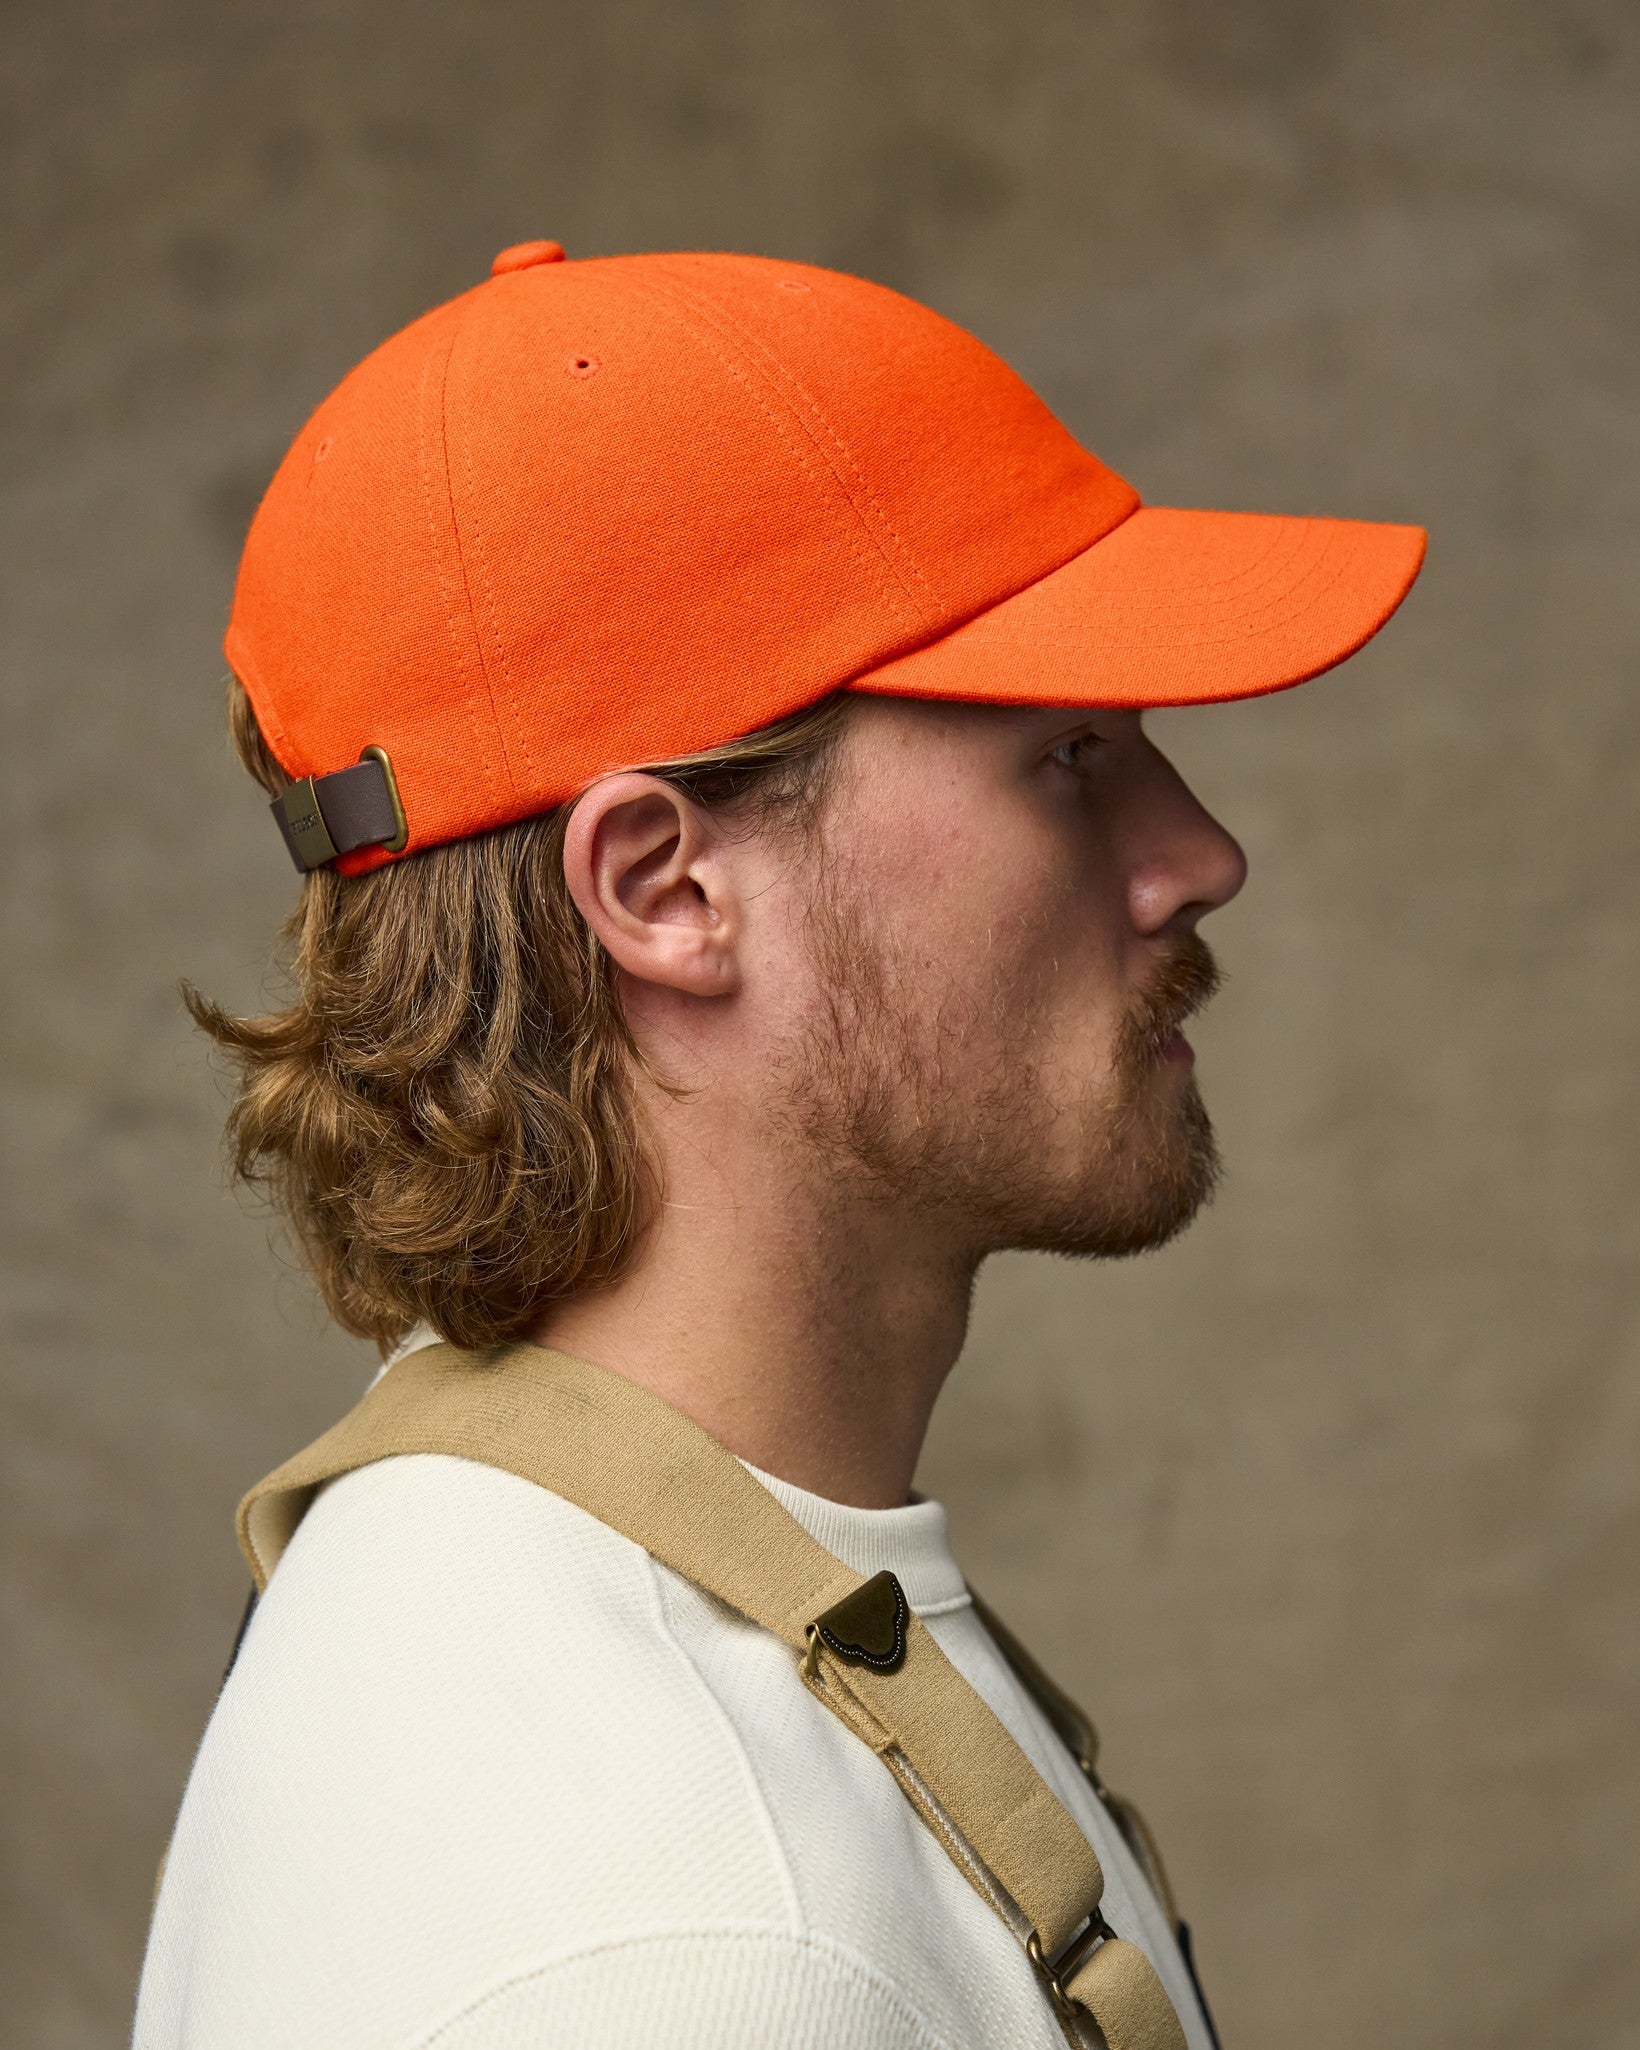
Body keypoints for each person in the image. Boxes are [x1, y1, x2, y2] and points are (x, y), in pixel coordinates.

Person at [133, 240, 1424, 2050]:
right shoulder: (687, 1939)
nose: (1200, 855)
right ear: (667, 889)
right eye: (1067, 756)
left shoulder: (547, 1608)